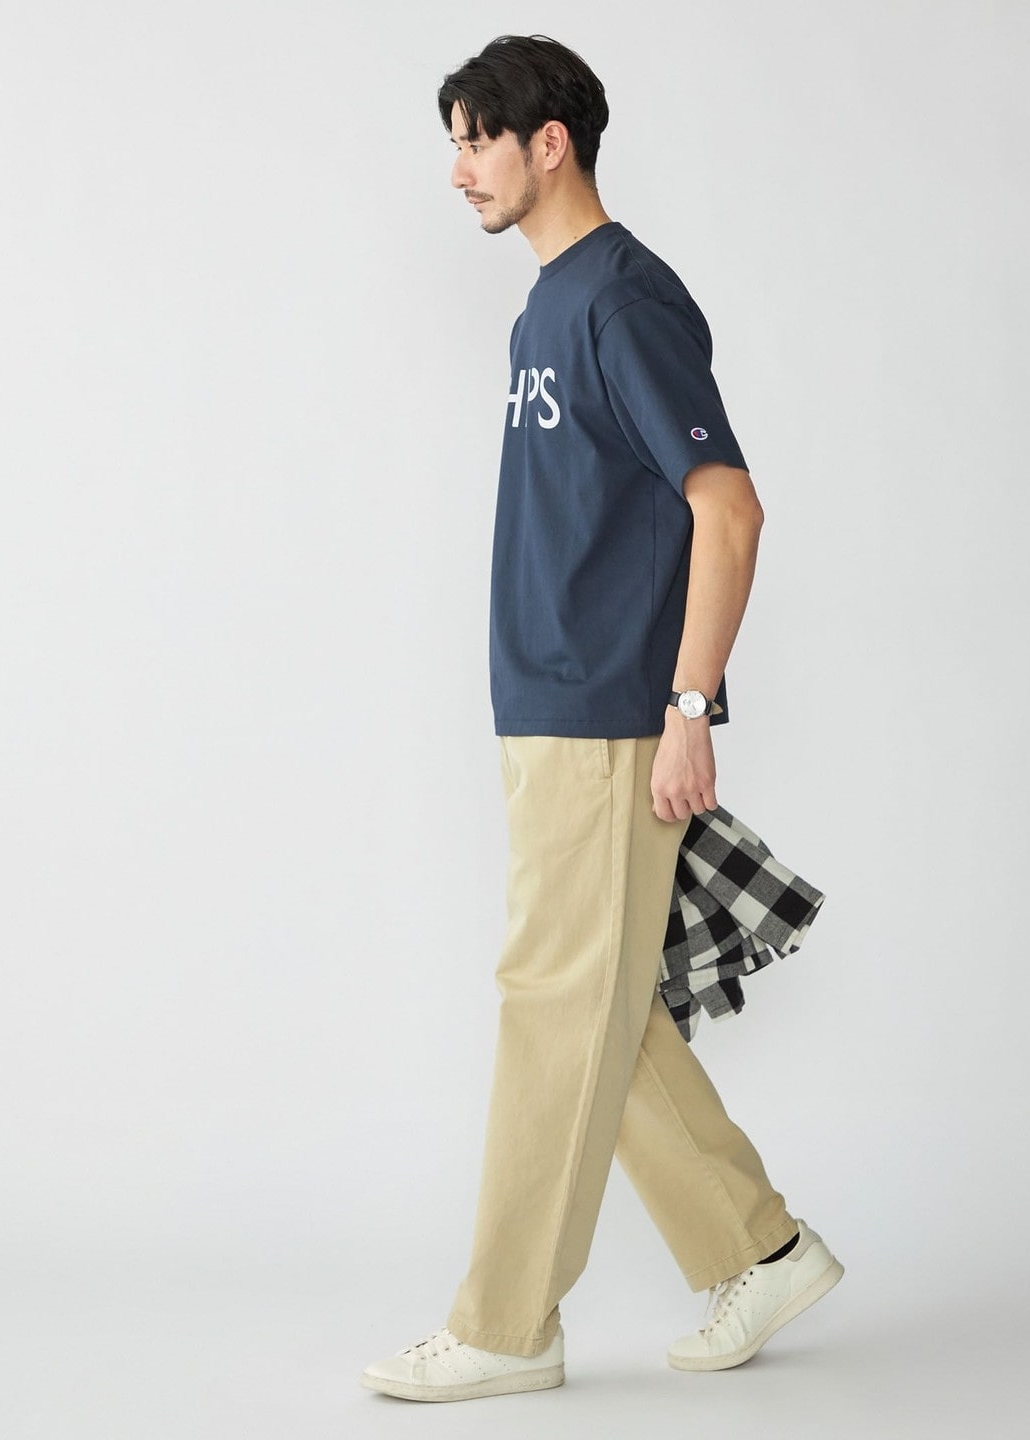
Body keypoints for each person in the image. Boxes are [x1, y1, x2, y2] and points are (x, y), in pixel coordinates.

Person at [361, 33, 842, 1404]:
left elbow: (728, 506)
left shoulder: (622, 302)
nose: (460, 169)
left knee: (552, 1004)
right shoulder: (545, 309)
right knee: (601, 1007)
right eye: (455, 143)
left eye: (478, 141)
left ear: (549, 142)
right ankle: (763, 1249)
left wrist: (688, 705)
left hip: (604, 713)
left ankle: (509, 1325)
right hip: (548, 708)